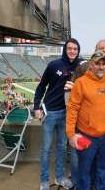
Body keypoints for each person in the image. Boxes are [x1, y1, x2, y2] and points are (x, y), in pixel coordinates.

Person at [34, 38, 82, 190]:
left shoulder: (81, 66)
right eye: (70, 48)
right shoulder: (54, 65)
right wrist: (36, 107)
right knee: (46, 149)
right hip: (50, 111)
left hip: (67, 113)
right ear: (65, 49)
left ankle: (60, 177)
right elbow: (41, 87)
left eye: (75, 49)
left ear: (78, 50)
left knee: (62, 147)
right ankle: (44, 181)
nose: (72, 51)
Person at [66, 51, 105, 190]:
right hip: (86, 135)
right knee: (84, 173)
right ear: (91, 65)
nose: (100, 66)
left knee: (103, 171)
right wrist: (71, 134)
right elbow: (72, 108)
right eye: (97, 63)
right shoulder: (80, 83)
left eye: (103, 63)